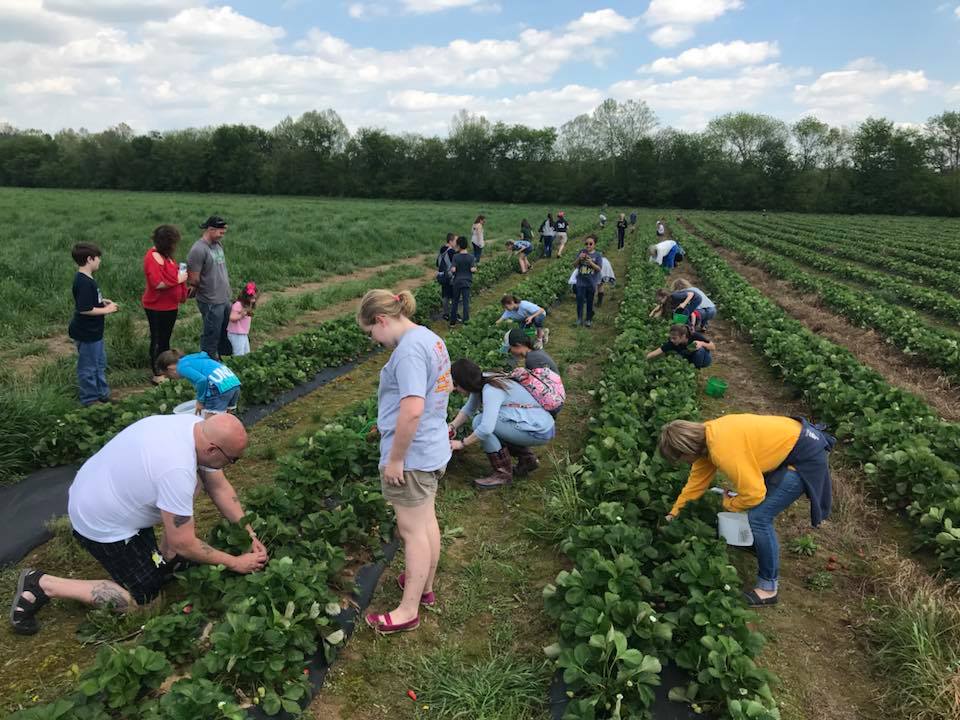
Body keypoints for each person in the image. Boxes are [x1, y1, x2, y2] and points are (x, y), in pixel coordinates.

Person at [9, 414, 266, 635]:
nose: (231, 466)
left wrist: (248, 532)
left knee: (196, 486)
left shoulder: (196, 427)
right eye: (232, 460)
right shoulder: (176, 469)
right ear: (212, 449)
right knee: (143, 606)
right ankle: (42, 583)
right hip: (101, 522)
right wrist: (235, 562)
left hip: (107, 490)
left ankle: (164, 560)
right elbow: (183, 542)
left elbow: (218, 485)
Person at [659, 415, 835, 607]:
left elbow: (754, 494)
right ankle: (759, 545)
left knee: (759, 517)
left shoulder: (722, 449)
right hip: (793, 442)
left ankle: (768, 589)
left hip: (804, 454)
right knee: (758, 508)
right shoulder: (707, 437)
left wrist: (729, 504)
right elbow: (695, 486)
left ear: (687, 450)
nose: (684, 463)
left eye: (681, 459)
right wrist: (673, 514)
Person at [358, 290, 451, 635]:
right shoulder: (430, 337)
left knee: (411, 533)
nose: (375, 340)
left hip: (413, 455)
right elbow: (446, 385)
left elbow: (412, 409)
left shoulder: (409, 351)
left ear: (381, 320)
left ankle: (407, 611)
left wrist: (396, 459)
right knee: (425, 521)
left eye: (371, 333)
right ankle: (424, 588)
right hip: (433, 446)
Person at [448, 359, 555, 488]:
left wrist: (461, 443)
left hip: (539, 431)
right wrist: (452, 426)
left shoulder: (491, 390)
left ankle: (502, 474)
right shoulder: (485, 379)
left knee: (481, 422)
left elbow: (486, 428)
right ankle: (527, 460)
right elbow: (469, 409)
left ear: (464, 383)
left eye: (455, 384)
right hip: (539, 423)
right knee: (486, 421)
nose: (454, 388)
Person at [69, 242, 118, 406]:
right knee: (88, 368)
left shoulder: (87, 279)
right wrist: (108, 310)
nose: (100, 261)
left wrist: (101, 302)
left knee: (99, 364)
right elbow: (84, 309)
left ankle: (102, 394)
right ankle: (90, 399)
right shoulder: (84, 281)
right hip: (87, 332)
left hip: (95, 332)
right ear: (89, 259)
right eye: (98, 258)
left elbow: (89, 302)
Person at [142, 225, 189, 385]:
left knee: (165, 339)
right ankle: (157, 373)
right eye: (173, 243)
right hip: (156, 306)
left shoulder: (167, 257)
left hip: (170, 306)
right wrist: (178, 280)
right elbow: (158, 283)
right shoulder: (152, 257)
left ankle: (166, 368)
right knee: (157, 339)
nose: (175, 246)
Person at [187, 215, 232, 360]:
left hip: (224, 297)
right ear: (211, 229)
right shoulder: (198, 249)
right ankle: (209, 362)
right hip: (211, 300)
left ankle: (226, 359)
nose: (222, 236)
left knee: (225, 332)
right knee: (211, 334)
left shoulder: (217, 245)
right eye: (220, 232)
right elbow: (193, 278)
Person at [157, 349, 241, 418]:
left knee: (211, 423)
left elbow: (202, 380)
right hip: (232, 382)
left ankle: (216, 437)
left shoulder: (181, 367)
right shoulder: (193, 359)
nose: (171, 378)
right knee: (228, 417)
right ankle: (231, 435)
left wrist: (200, 401)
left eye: (168, 376)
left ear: (170, 369)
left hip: (218, 387)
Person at [645, 324, 714, 368]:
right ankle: (689, 368)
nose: (672, 340)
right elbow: (658, 351)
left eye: (674, 338)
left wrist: (701, 343)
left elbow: (713, 346)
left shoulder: (694, 336)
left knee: (699, 350)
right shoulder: (672, 342)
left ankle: (696, 369)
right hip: (690, 360)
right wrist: (644, 358)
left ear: (683, 336)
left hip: (705, 360)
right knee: (681, 355)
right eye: (671, 338)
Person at [572, 235, 602, 328]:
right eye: (586, 244)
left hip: (591, 282)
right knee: (580, 301)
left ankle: (588, 319)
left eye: (590, 244)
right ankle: (579, 319)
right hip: (580, 282)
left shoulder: (597, 255)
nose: (588, 245)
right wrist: (579, 259)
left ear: (594, 245)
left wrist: (591, 263)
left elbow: (599, 269)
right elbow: (574, 265)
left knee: (590, 301)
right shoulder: (581, 252)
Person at [449, 236, 476, 326]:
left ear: (459, 245)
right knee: (466, 302)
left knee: (455, 301)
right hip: (467, 281)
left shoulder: (456, 257)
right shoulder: (471, 257)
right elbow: (473, 269)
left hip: (457, 281)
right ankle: (466, 321)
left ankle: (452, 322)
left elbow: (453, 269)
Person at [227, 282, 257, 356]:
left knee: (246, 353)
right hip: (236, 333)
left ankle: (244, 366)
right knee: (239, 354)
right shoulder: (238, 305)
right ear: (247, 297)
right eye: (252, 298)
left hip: (243, 333)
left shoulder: (247, 305)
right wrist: (241, 315)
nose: (254, 300)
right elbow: (231, 317)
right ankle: (237, 366)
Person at [436, 233, 458, 321]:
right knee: (453, 295)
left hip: (442, 276)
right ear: (450, 241)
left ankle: (445, 314)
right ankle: (453, 314)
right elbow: (456, 264)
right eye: (455, 241)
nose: (456, 243)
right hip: (450, 276)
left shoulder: (442, 250)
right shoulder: (451, 252)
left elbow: (437, 263)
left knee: (445, 295)